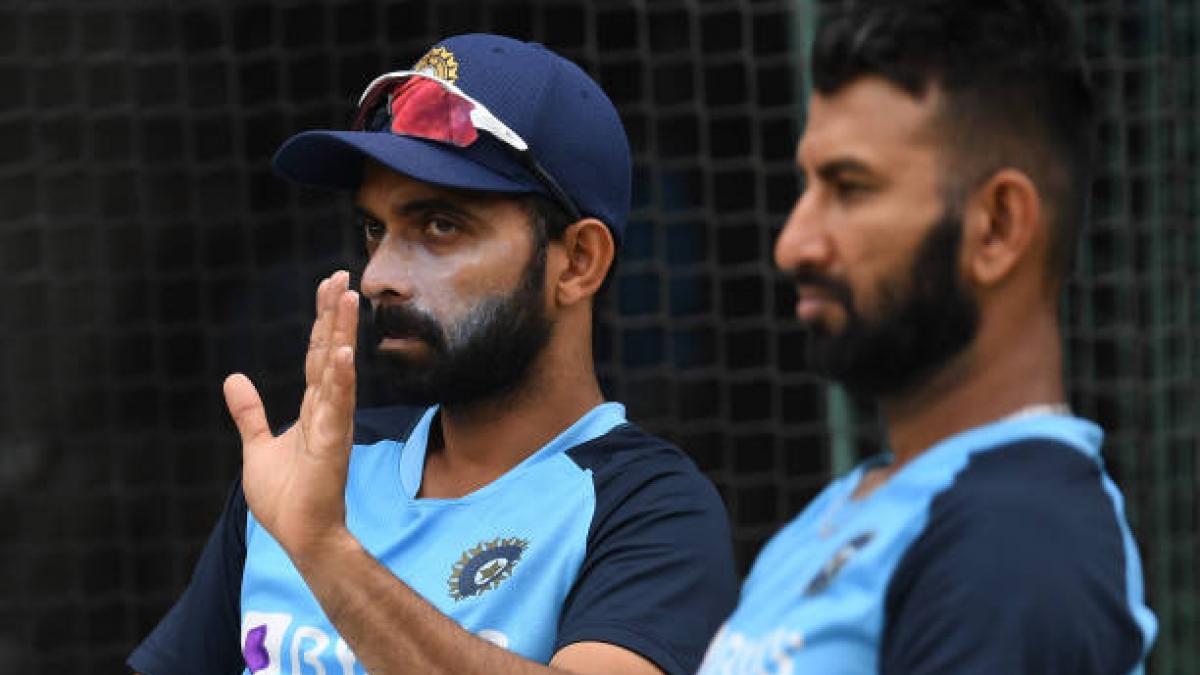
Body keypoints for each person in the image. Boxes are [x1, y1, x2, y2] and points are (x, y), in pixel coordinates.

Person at [128, 33, 738, 675]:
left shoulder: (648, 508)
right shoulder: (311, 466)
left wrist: (325, 552)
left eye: (440, 226)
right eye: (374, 229)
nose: (378, 275)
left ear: (578, 262)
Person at [698, 1, 1158, 673]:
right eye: (807, 185)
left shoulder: (1016, 545)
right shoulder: (851, 506)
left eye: (850, 188)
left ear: (997, 227)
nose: (793, 243)